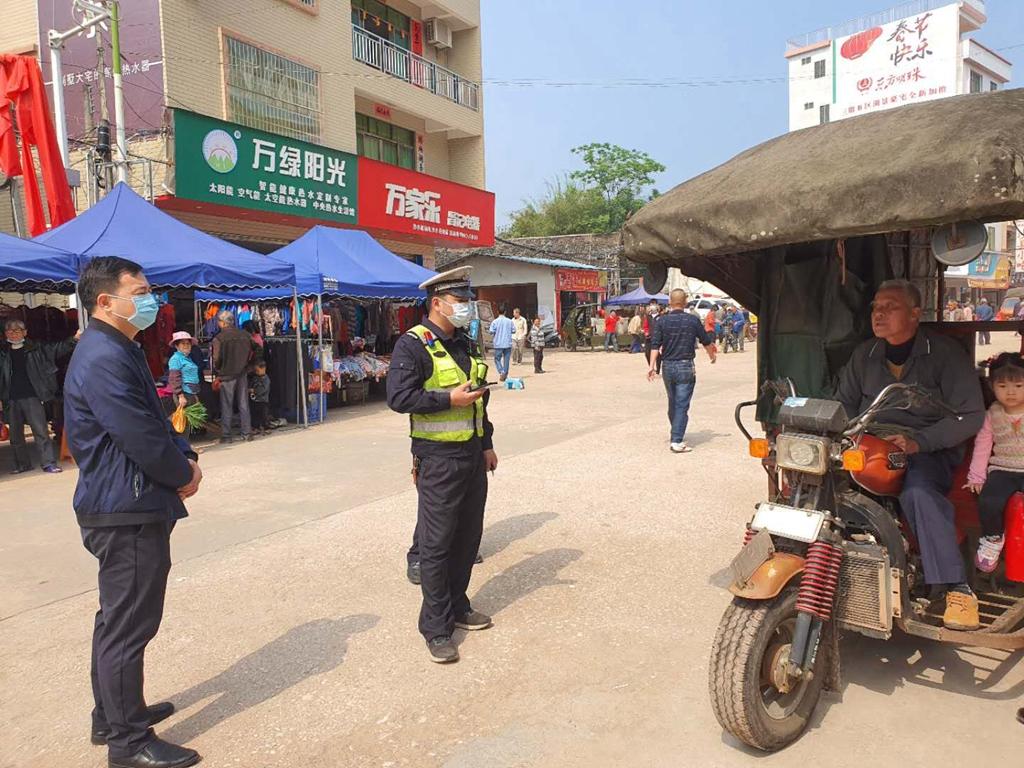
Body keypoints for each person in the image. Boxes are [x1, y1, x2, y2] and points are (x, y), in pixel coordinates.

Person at [65, 256, 203, 768]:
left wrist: (183, 452)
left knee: (117, 619)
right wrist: (180, 472)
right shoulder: (102, 355)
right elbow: (137, 433)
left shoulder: (116, 346)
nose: (152, 300)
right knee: (128, 625)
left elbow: (154, 417)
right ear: (106, 301)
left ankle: (114, 713)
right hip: (126, 506)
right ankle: (128, 742)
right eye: (141, 292)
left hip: (129, 499)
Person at [837, 279, 984, 631]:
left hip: (927, 449)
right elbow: (842, 405)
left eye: (891, 307)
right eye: (876, 307)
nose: (880, 313)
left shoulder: (945, 354)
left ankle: (956, 588)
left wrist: (921, 441)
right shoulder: (865, 354)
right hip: (870, 444)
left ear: (916, 314)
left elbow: (971, 415)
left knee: (918, 492)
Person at [387, 266, 497, 664]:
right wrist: (448, 401)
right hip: (437, 459)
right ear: (437, 303)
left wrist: (486, 443)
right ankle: (436, 628)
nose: (466, 308)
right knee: (436, 545)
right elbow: (399, 398)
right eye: (459, 301)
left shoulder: (465, 342)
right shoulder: (412, 345)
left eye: (468, 301)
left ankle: (459, 605)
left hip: (471, 455)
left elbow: (480, 398)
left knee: (468, 538)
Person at [965, 353, 1024, 573]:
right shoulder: (992, 414)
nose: (1011, 392)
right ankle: (992, 539)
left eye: (1018, 385)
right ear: (991, 386)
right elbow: (983, 445)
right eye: (1002, 385)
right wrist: (976, 477)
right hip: (1003, 469)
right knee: (989, 501)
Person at [0, 317, 78, 474]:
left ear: (25, 332)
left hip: (33, 397)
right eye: (9, 331)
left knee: (41, 431)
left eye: (17, 330)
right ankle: (22, 464)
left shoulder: (36, 348)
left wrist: (74, 340)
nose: (13, 334)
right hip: (11, 399)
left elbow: (58, 348)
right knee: (15, 436)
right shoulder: (3, 352)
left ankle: (48, 463)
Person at [648, 289, 717, 453]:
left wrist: (651, 367)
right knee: (681, 404)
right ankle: (677, 440)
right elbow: (706, 340)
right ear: (685, 301)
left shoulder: (661, 321)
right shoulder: (692, 320)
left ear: (670, 302)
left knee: (673, 401)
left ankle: (676, 431)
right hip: (685, 366)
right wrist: (711, 356)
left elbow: (655, 345)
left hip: (667, 367)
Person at [211, 311, 255, 443]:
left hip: (226, 374)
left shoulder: (219, 338)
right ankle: (247, 433)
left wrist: (218, 370)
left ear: (222, 323)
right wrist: (249, 366)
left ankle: (226, 436)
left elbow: (216, 358)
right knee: (243, 404)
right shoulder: (245, 335)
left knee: (227, 405)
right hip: (242, 372)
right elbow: (257, 350)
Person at [167, 331, 200, 410]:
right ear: (177, 346)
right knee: (186, 421)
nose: (186, 345)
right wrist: (180, 396)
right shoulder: (176, 359)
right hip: (184, 394)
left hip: (191, 392)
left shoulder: (187, 358)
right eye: (183, 343)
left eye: (188, 343)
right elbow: (174, 378)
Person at [488, 305, 514, 382]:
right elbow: (513, 330)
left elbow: (491, 331)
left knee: (497, 359)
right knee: (506, 360)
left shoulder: (495, 322)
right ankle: (505, 373)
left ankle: (501, 371)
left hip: (498, 343)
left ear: (497, 312)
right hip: (507, 343)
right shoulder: (510, 321)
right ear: (505, 312)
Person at [249, 360, 272, 435]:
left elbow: (264, 390)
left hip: (263, 400)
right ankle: (256, 427)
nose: (256, 372)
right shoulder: (255, 378)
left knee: (264, 415)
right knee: (255, 415)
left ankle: (266, 427)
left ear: (263, 369)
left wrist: (254, 390)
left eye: (257, 370)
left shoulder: (266, 379)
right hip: (255, 400)